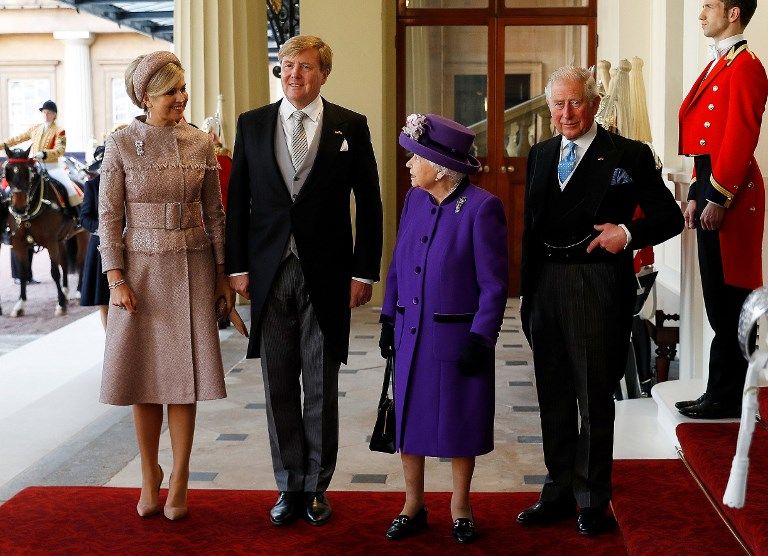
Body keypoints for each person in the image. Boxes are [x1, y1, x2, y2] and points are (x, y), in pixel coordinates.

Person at [517, 66, 683, 536]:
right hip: (546, 284)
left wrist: (627, 232)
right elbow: (530, 229)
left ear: (593, 104)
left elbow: (669, 216)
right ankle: (557, 490)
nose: (566, 113)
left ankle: (592, 498)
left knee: (592, 393)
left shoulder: (626, 154)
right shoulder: (541, 154)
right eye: (557, 104)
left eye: (575, 103)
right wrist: (527, 296)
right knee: (551, 392)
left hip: (596, 284)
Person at [225, 34, 383, 527]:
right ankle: (287, 486)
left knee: (320, 384)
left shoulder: (349, 126)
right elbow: (239, 203)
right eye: (288, 65)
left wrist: (363, 270)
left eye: (307, 67)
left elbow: (370, 204)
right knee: (276, 386)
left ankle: (317, 486)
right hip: (268, 273)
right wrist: (237, 267)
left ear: (324, 74)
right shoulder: (252, 124)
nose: (295, 74)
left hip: (329, 274)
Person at [98, 51, 232, 521]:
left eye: (182, 89)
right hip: (139, 272)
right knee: (143, 378)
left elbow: (216, 215)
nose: (182, 98)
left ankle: (180, 475)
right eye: (172, 92)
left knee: (183, 380)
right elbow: (109, 217)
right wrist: (114, 278)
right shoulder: (119, 143)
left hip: (193, 267)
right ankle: (148, 471)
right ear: (146, 97)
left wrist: (221, 275)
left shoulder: (200, 143)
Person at [378, 114, 508, 544]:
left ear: (440, 167)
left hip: (456, 338)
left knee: (459, 421)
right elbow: (398, 261)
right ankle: (412, 504)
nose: (410, 165)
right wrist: (387, 318)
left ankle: (461, 507)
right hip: (411, 332)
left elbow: (494, 283)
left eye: (415, 158)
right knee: (409, 421)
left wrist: (481, 336)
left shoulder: (482, 208)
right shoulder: (415, 199)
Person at [676, 0, 767, 419]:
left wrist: (719, 194)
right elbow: (704, 138)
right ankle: (720, 391)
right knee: (717, 297)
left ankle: (727, 396)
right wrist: (697, 190)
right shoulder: (721, 63)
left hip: (734, 191)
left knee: (730, 297)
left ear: (733, 13)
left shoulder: (746, 64)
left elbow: (740, 134)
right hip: (712, 180)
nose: (700, 14)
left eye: (709, 6)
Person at [1, 100, 81, 220]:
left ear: (54, 115)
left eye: (49, 112)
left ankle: (77, 218)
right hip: (36, 166)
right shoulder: (35, 129)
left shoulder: (59, 130)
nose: (46, 115)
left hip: (52, 167)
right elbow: (18, 138)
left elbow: (60, 149)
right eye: (44, 112)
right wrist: (2, 145)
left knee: (69, 188)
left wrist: (45, 154)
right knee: (13, 187)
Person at [79, 145, 109, 327]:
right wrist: (103, 228)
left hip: (127, 242)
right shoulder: (92, 186)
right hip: (100, 245)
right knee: (104, 298)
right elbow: (84, 217)